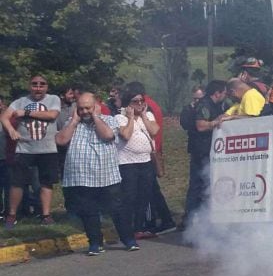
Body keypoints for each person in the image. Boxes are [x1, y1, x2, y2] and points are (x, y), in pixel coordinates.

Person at [55, 92, 138, 255]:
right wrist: (74, 120)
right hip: (81, 177)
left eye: (88, 108)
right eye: (81, 108)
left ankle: (128, 240)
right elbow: (61, 140)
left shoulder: (108, 120)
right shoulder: (72, 123)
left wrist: (96, 117)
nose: (84, 111)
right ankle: (95, 243)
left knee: (117, 209)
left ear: (95, 107)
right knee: (88, 212)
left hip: (106, 176)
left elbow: (107, 135)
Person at [2, 75, 61, 227]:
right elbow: (4, 117)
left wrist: (26, 113)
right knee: (17, 183)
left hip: (47, 149)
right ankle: (12, 214)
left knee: (46, 183)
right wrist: (10, 130)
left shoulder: (53, 99)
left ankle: (46, 215)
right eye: (35, 84)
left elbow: (52, 115)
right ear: (30, 86)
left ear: (46, 87)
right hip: (25, 149)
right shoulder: (20, 101)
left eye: (42, 84)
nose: (38, 87)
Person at [115, 87, 160, 240]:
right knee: (129, 196)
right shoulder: (120, 118)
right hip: (127, 163)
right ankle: (127, 228)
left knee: (144, 195)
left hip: (146, 161)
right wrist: (130, 118)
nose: (140, 104)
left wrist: (144, 117)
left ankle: (139, 227)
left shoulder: (147, 115)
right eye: (135, 101)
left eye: (142, 101)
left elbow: (154, 131)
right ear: (128, 103)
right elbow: (125, 135)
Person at [182, 80, 228, 224]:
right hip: (201, 152)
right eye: (224, 93)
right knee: (197, 185)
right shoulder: (204, 105)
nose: (225, 95)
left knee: (208, 185)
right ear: (217, 93)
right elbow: (201, 126)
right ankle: (190, 220)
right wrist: (216, 122)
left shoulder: (216, 105)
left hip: (210, 152)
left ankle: (205, 217)